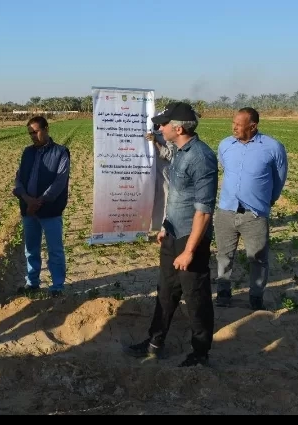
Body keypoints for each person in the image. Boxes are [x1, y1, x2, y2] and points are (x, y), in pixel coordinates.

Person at [124, 102, 218, 367]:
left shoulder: (201, 157)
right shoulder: (178, 150)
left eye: (163, 124)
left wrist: (189, 250)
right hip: (173, 233)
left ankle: (200, 353)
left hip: (191, 239)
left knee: (196, 297)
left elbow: (203, 210)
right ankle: (154, 342)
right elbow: (176, 196)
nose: (159, 127)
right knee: (165, 291)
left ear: (178, 128)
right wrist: (165, 225)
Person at [214, 107, 288, 310]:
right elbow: (225, 167)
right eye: (233, 123)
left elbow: (279, 179)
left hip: (254, 215)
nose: (234, 127)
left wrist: (266, 202)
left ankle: (256, 298)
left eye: (238, 124)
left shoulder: (273, 147)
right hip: (226, 211)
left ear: (253, 126)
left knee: (258, 259)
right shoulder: (225, 145)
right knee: (224, 255)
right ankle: (223, 293)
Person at [13, 116, 70, 297]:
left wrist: (40, 201)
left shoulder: (61, 152)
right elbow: (19, 178)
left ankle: (57, 286)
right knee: (31, 249)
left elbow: (60, 181)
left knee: (55, 249)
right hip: (28, 209)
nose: (33, 136)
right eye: (30, 133)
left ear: (46, 129)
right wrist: (26, 198)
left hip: (50, 210)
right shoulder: (27, 152)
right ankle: (33, 283)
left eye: (36, 131)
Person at [147, 123, 177, 232]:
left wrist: (155, 142)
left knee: (163, 198)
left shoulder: (167, 134)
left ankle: (163, 228)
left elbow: (169, 155)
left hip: (162, 173)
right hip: (145, 172)